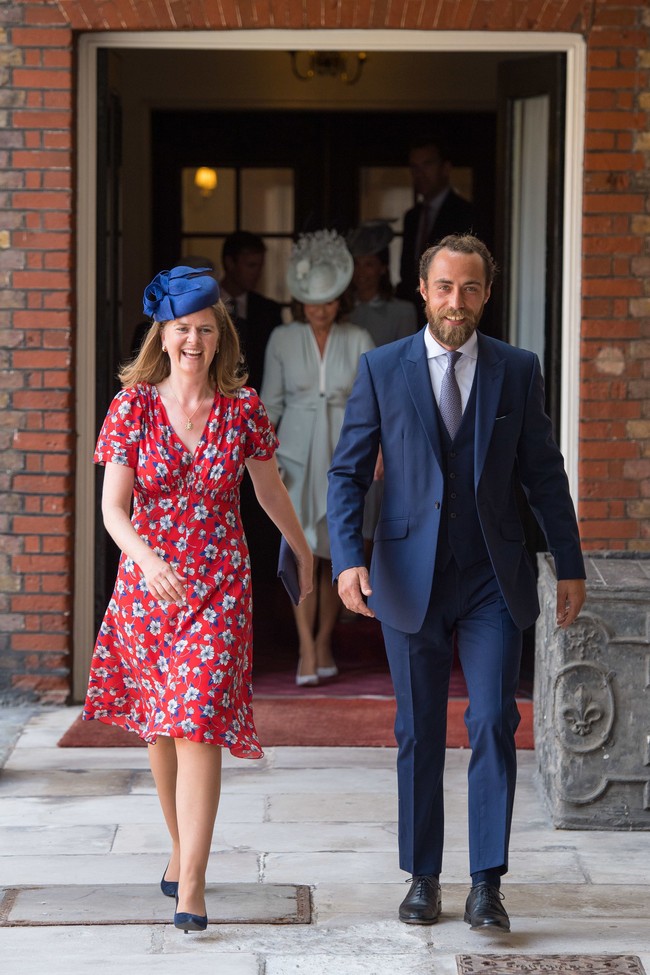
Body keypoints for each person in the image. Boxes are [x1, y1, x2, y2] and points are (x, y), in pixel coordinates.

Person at [327, 234, 585, 933]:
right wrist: (347, 557)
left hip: (490, 582)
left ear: (486, 294)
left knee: (494, 720)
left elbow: (544, 474)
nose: (456, 301)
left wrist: (569, 561)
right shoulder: (382, 368)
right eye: (444, 286)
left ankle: (485, 883)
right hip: (408, 579)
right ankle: (422, 875)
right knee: (417, 730)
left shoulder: (515, 368)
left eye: (470, 288)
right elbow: (347, 472)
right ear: (423, 289)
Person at [83, 265, 313, 934]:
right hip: (149, 586)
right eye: (183, 329)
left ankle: (193, 879)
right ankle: (180, 843)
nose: (194, 341)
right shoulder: (133, 405)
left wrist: (302, 548)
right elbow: (112, 508)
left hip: (219, 586)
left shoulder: (242, 407)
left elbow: (268, 491)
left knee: (199, 720)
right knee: (160, 722)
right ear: (164, 334)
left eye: (206, 330)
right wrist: (149, 560)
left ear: (221, 337)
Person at [261, 230, 374, 685]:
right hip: (295, 456)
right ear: (299, 299)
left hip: (344, 454)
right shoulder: (282, 338)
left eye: (327, 299)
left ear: (339, 299)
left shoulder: (359, 336)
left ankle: (325, 640)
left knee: (336, 555)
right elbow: (269, 405)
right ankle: (305, 648)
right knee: (301, 551)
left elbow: (373, 404)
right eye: (311, 299)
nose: (319, 308)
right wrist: (265, 462)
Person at [396, 135, 476, 324]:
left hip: (452, 314)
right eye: (414, 167)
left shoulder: (466, 213)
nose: (420, 173)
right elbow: (407, 272)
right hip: (413, 316)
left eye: (427, 165)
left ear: (446, 168)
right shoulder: (412, 217)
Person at [219, 231, 284, 392]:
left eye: (260, 266)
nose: (257, 273)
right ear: (230, 263)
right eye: (251, 265)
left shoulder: (270, 310)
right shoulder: (206, 304)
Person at [347, 219, 418, 346]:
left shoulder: (402, 312)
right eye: (356, 264)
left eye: (369, 265)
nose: (360, 271)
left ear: (382, 268)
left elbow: (406, 360)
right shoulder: (341, 310)